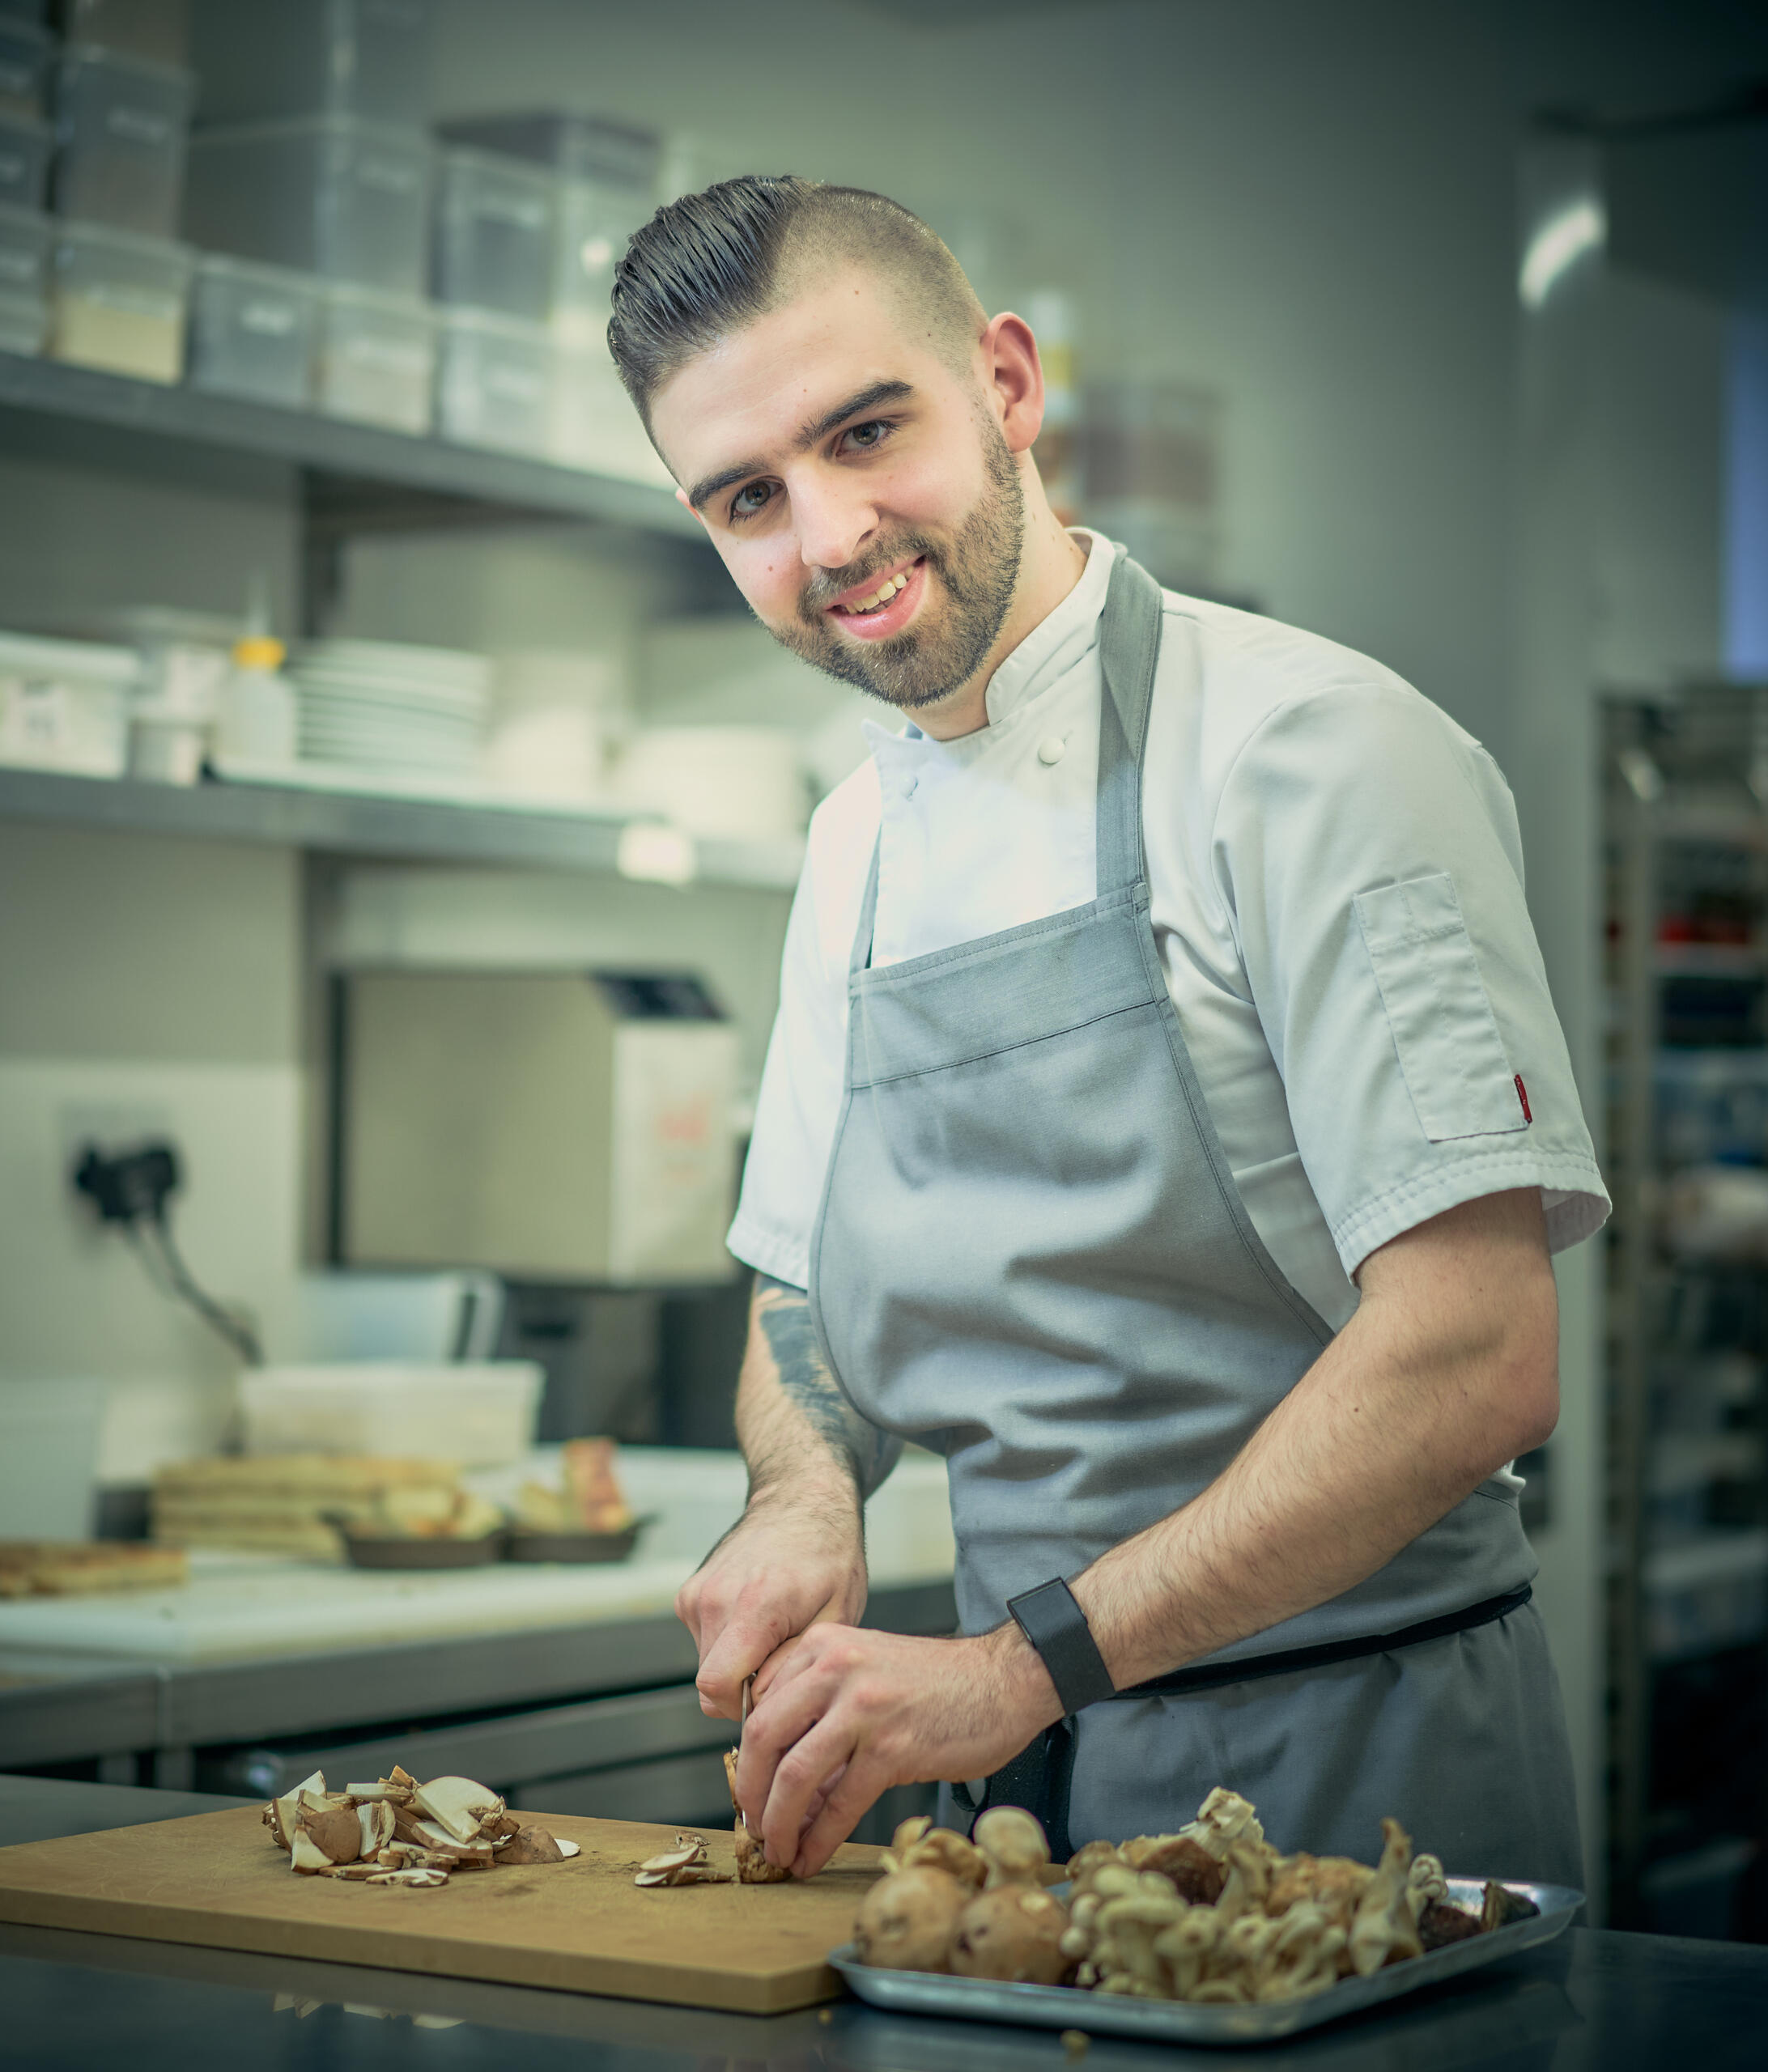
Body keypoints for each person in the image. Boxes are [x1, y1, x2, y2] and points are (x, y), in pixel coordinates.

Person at [606, 176, 1608, 1887]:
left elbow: (1472, 1354)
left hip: (1358, 1776)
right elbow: (799, 1288)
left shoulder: (1313, 755)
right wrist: (803, 1498)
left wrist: (1015, 1668)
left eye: (865, 433)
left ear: (1006, 384)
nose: (829, 536)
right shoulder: (851, 845)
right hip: (1015, 1798)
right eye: (749, 497)